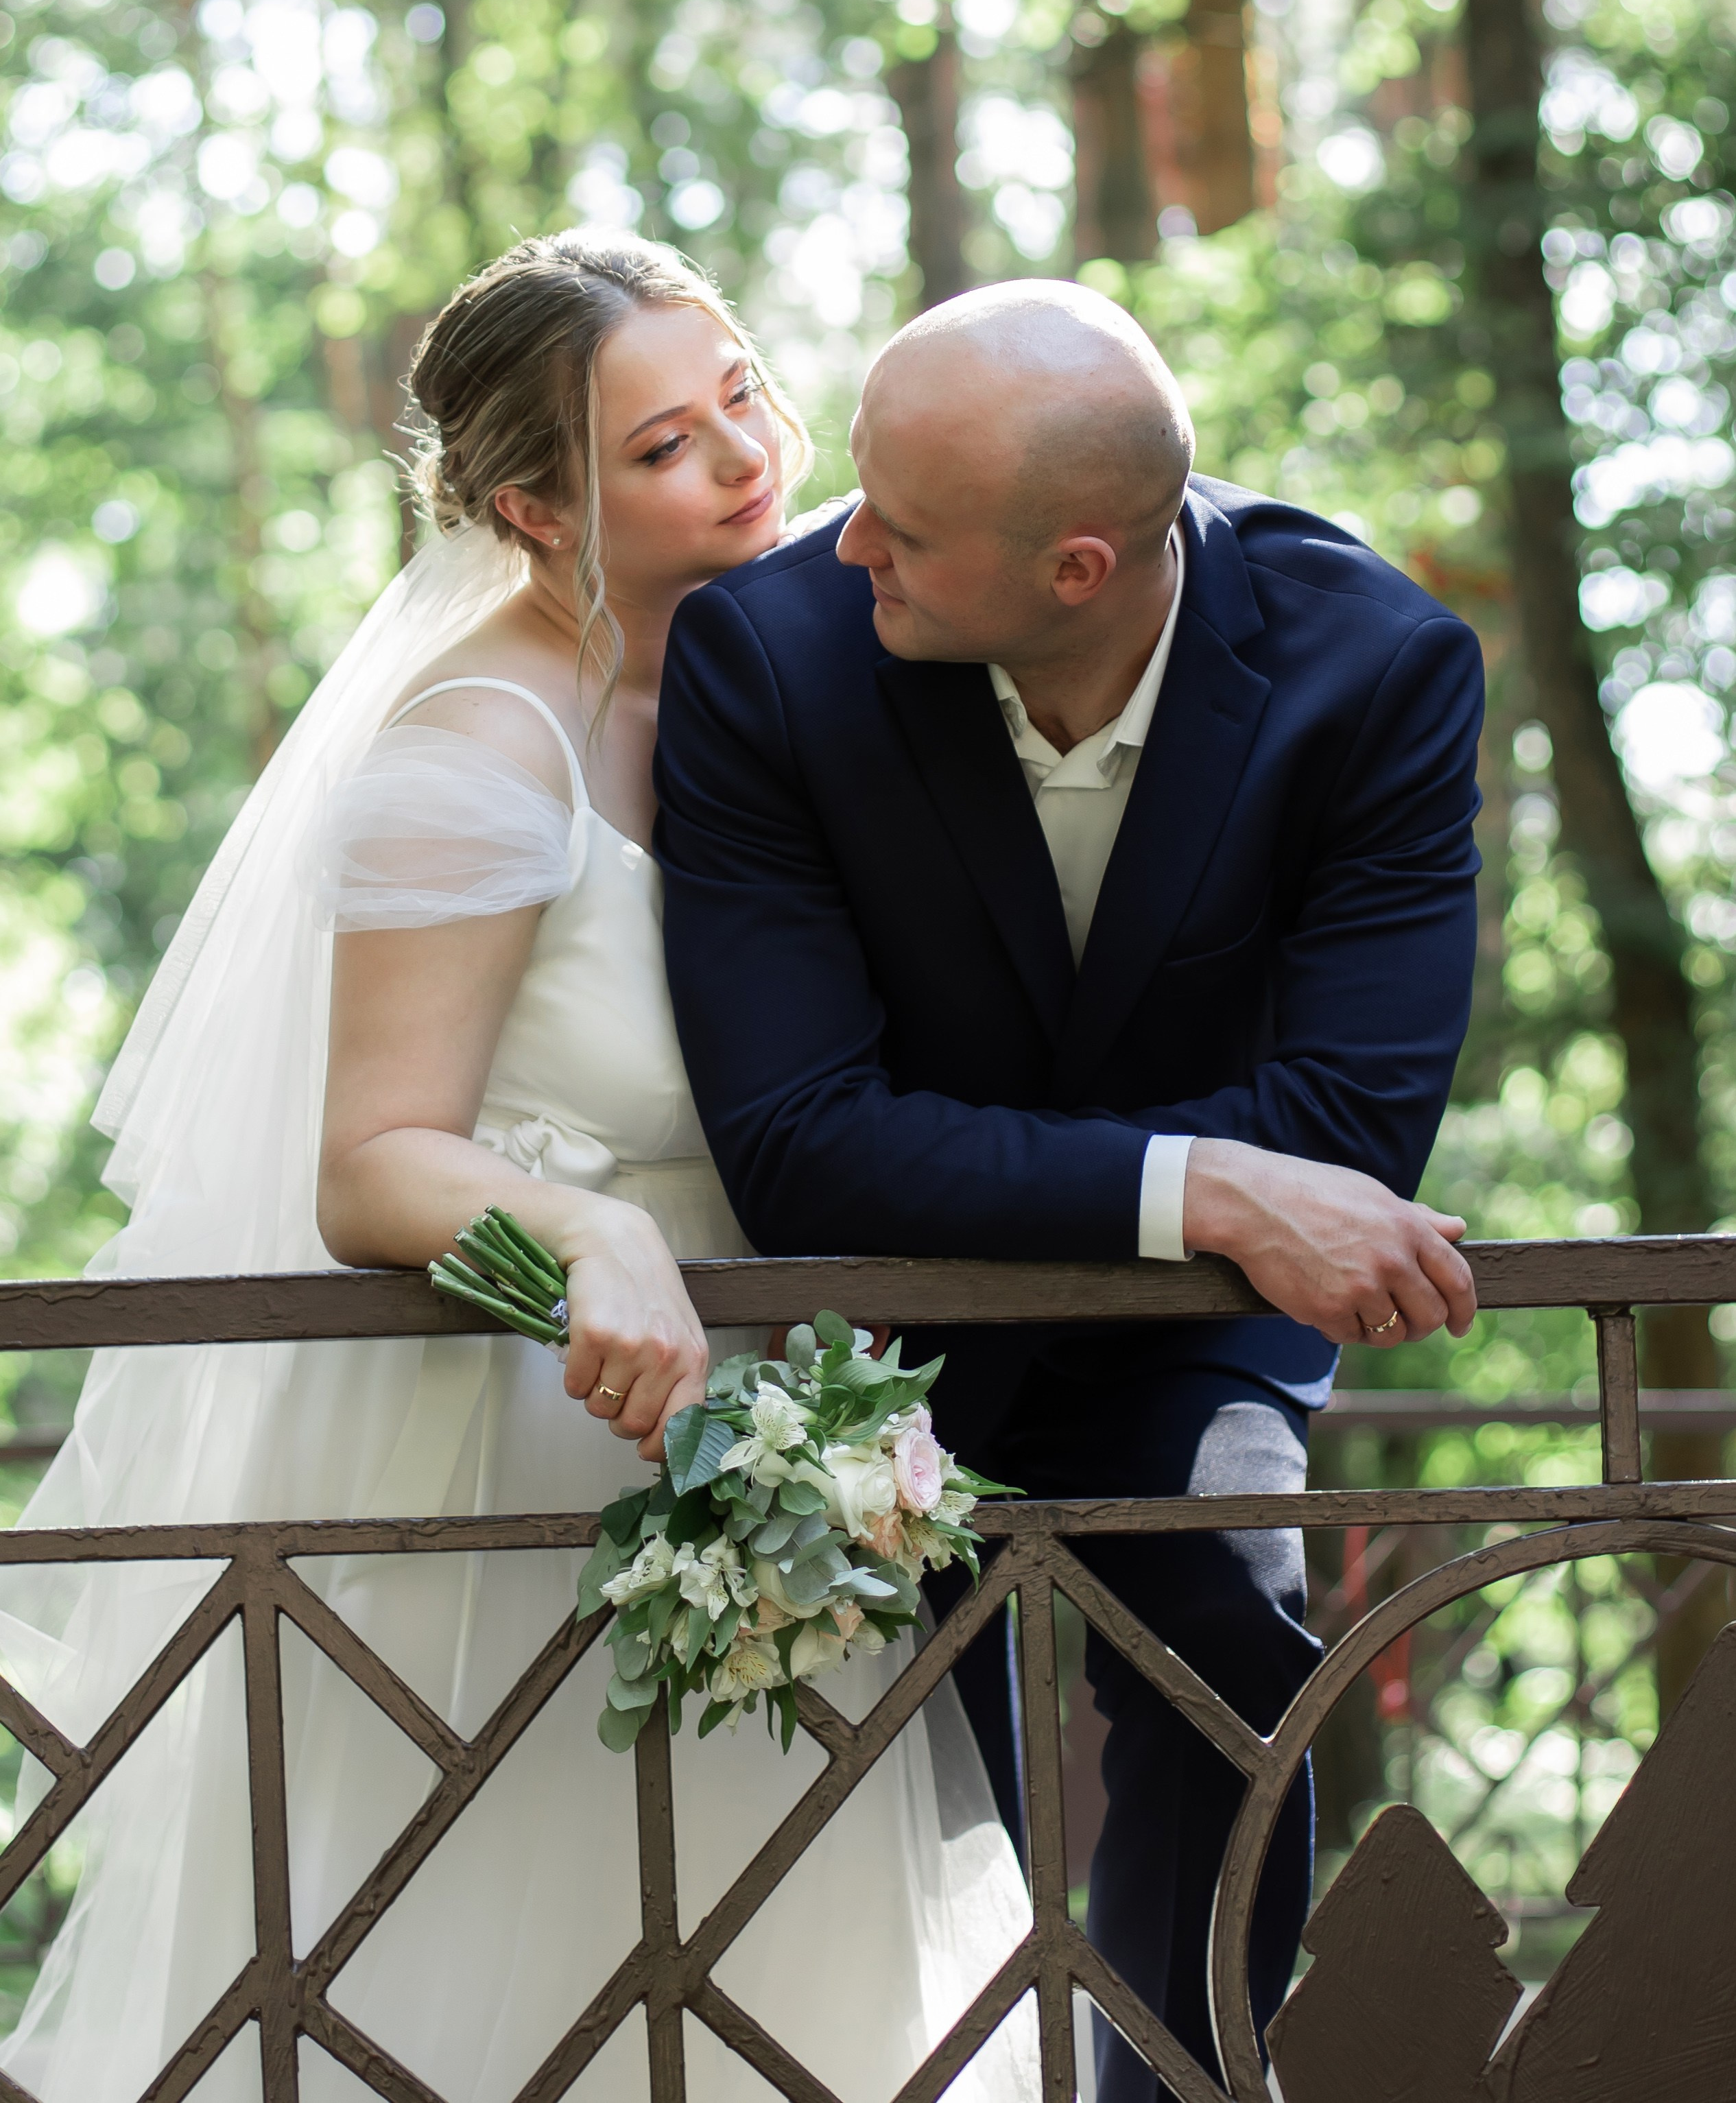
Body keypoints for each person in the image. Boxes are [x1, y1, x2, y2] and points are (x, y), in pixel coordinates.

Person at [0, 237, 1034, 2103]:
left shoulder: (784, 665)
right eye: (662, 446)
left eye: (741, 392)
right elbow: (371, 1160)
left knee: (787, 1990)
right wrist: (585, 1227)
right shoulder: (477, 741)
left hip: (771, 1423)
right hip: (535, 1433)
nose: (743, 455)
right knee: (508, 1982)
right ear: (531, 506)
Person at [654, 279, 1485, 2094]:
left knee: (1225, 1635)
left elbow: (1342, 1127)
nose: (836, 530)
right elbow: (796, 1132)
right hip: (884, 1317)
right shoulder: (769, 656)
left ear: (1077, 571)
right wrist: (1204, 1178)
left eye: (903, 522)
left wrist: (1226, 1212)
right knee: (871, 1760)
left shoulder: (1375, 666)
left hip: (1192, 1332)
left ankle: (1177, 2077)